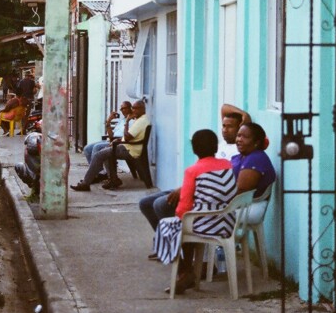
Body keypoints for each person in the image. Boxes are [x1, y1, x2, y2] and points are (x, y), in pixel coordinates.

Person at [140, 103, 250, 256]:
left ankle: (175, 249)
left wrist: (246, 118)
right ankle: (169, 244)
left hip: (207, 192)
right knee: (145, 203)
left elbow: (223, 183)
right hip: (196, 182)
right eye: (223, 126)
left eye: (230, 127)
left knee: (160, 205)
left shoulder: (239, 148)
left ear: (241, 128)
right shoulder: (220, 145)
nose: (225, 130)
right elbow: (224, 107)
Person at [153, 129, 238, 294]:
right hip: (228, 223)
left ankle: (185, 271)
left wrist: (179, 217)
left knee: (172, 225)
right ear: (215, 147)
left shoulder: (192, 171)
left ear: (194, 149)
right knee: (186, 223)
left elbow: (183, 207)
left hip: (205, 225)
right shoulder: (228, 165)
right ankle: (188, 271)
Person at [70, 100, 150, 192]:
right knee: (104, 152)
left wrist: (127, 121)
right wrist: (118, 139)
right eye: (133, 108)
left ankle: (86, 183)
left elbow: (127, 137)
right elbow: (127, 137)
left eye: (135, 108)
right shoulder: (140, 120)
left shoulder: (140, 121)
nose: (133, 110)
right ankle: (113, 179)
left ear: (142, 109)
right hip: (126, 146)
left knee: (98, 154)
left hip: (129, 149)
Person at [80, 101, 133, 184]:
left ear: (130, 108)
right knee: (87, 148)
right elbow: (111, 135)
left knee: (97, 147)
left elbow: (127, 136)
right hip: (111, 140)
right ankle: (98, 173)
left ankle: (97, 174)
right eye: (121, 109)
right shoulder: (122, 120)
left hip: (119, 143)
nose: (122, 110)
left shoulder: (131, 120)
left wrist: (116, 139)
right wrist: (108, 121)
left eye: (124, 108)